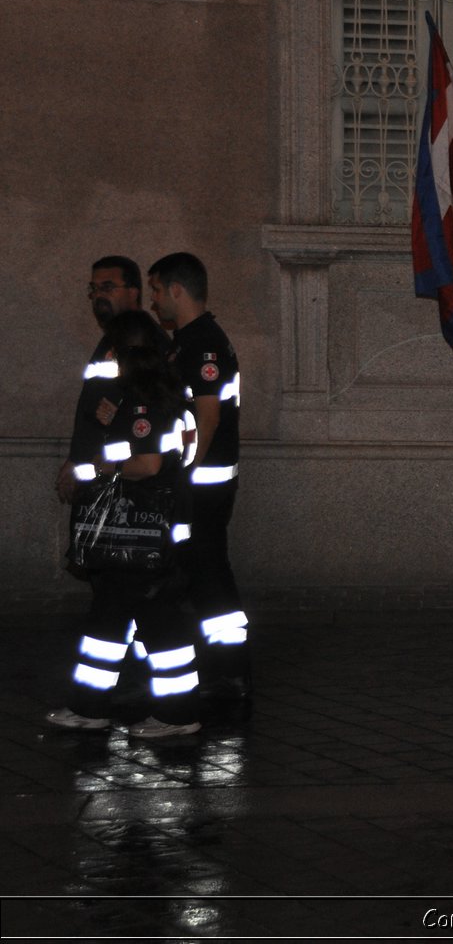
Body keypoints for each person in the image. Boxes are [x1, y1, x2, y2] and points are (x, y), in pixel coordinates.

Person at [47, 310, 201, 738]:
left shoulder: (144, 400)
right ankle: (101, 706)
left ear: (122, 351)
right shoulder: (165, 393)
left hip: (139, 528)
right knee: (120, 619)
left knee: (140, 620)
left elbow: (147, 464)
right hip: (151, 530)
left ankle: (170, 714)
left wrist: (100, 464)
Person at [147, 253, 249, 703]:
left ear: (176, 290)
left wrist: (184, 476)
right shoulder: (187, 340)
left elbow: (206, 417)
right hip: (198, 483)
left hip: (202, 486)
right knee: (200, 574)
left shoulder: (202, 343)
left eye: (155, 289)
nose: (153, 300)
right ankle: (220, 669)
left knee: (209, 576)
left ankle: (230, 674)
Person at [58, 257, 145, 507]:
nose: (98, 296)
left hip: (126, 478)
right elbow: (93, 404)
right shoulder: (111, 341)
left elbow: (148, 410)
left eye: (107, 287)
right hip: (102, 471)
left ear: (133, 292)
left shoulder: (141, 341)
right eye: (94, 289)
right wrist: (77, 457)